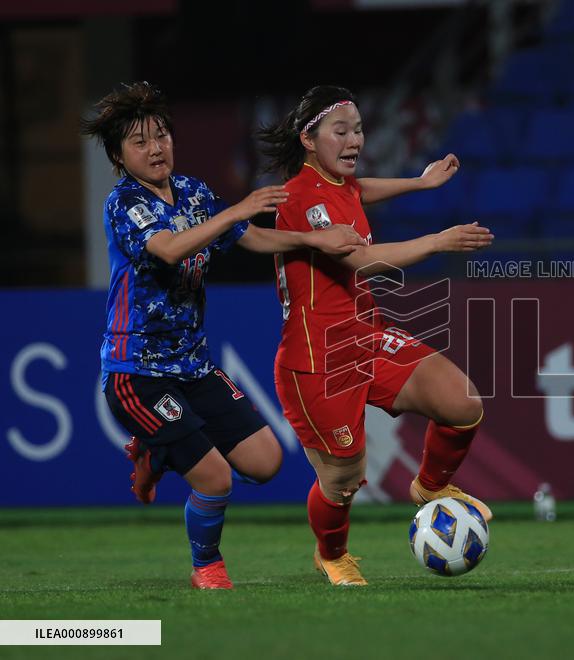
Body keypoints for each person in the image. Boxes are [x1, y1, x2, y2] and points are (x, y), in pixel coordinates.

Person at [82, 82, 365, 590]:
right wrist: (236, 209)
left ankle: (158, 449)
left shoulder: (192, 191)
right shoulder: (124, 203)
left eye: (162, 135)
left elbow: (249, 236)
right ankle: (206, 566)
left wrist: (311, 238)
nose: (156, 148)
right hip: (137, 373)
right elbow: (168, 249)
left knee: (266, 461)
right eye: (140, 141)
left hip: (192, 366)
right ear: (119, 156)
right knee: (216, 478)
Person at [257, 85, 494, 587]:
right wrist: (438, 240)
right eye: (340, 131)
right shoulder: (300, 196)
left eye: (359, 129)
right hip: (317, 359)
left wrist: (419, 183)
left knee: (462, 403)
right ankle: (332, 553)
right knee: (342, 480)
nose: (354, 140)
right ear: (308, 139)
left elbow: (360, 189)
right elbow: (361, 258)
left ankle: (431, 487)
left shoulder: (336, 183)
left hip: (365, 336)